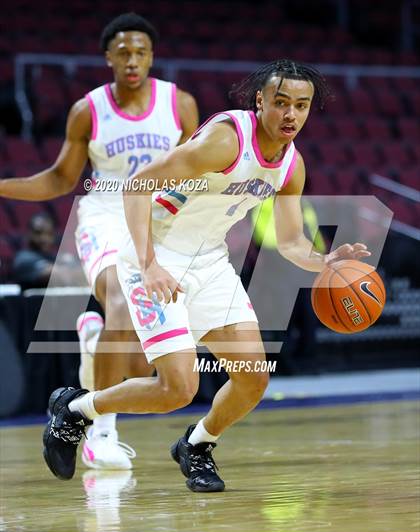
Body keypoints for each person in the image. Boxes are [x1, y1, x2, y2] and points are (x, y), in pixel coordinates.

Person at [42, 60, 371, 491]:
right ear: (261, 101)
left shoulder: (292, 166)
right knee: (177, 388)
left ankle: (196, 445)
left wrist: (324, 262)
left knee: (253, 377)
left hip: (210, 261)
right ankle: (75, 411)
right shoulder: (226, 141)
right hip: (154, 253)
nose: (291, 114)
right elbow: (138, 185)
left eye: (302, 106)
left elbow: (290, 242)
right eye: (281, 103)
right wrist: (148, 264)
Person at [0, 13, 199, 469]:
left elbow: (197, 171)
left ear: (152, 57)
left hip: (159, 220)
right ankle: (101, 435)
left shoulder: (180, 104)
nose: (132, 60)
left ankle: (92, 343)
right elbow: (57, 179)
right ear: (108, 57)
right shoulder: (88, 110)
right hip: (105, 213)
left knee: (141, 369)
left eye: (141, 52)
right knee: (121, 305)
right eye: (123, 52)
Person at [12, 212, 82, 290]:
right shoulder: (22, 259)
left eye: (49, 234)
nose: (44, 238)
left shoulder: (57, 257)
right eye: (38, 233)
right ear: (28, 234)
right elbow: (56, 276)